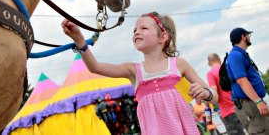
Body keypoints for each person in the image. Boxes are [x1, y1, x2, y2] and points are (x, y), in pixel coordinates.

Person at [62, 11, 218, 135]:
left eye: (144, 28)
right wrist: (79, 40)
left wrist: (206, 94)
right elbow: (95, 67)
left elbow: (214, 96)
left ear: (163, 37)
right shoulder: (134, 71)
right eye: (135, 30)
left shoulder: (179, 65)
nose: (137, 32)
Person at [226, 27, 269, 134]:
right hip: (249, 103)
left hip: (252, 102)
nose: (249, 37)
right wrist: (258, 101)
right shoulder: (235, 55)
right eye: (248, 35)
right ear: (243, 37)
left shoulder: (240, 54)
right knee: (260, 131)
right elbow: (242, 81)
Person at [207, 53, 245, 134]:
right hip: (242, 107)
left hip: (228, 112)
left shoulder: (210, 73)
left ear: (209, 62)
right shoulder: (229, 67)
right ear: (219, 59)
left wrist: (206, 97)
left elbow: (214, 92)